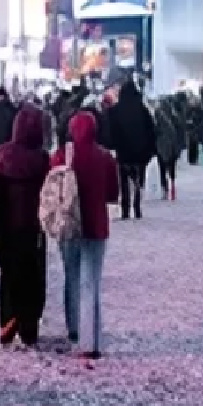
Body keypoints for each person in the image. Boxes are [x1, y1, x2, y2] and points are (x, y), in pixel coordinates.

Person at [50, 112, 119, 358]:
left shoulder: (62, 156)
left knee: (71, 277)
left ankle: (74, 328)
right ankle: (91, 340)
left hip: (69, 226)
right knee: (91, 282)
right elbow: (112, 194)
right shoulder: (105, 157)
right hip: (96, 227)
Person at [0, 104, 50, 347]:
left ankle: (7, 320)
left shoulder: (1, 156)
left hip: (6, 228)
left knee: (7, 276)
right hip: (33, 227)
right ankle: (28, 326)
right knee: (32, 277)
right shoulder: (41, 160)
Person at [107, 80, 156, 219]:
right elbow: (151, 130)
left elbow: (111, 133)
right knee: (138, 179)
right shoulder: (142, 109)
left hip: (123, 152)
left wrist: (113, 146)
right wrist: (151, 149)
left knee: (124, 181)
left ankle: (125, 208)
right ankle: (137, 206)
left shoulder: (115, 110)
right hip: (141, 152)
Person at [154, 97, 186, 200]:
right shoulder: (175, 117)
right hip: (172, 147)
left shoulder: (158, 118)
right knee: (172, 168)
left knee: (162, 168)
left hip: (161, 146)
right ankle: (172, 187)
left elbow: (154, 132)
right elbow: (181, 132)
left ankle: (165, 189)